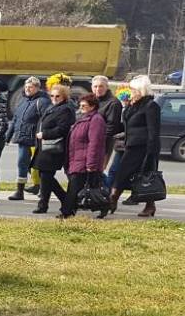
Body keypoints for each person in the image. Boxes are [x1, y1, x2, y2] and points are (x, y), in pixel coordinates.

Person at [109, 75, 161, 217]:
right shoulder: (133, 105)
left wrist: (150, 153)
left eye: (133, 89)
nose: (130, 91)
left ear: (140, 90)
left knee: (144, 177)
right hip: (130, 145)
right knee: (123, 174)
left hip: (144, 147)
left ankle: (115, 199)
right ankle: (113, 199)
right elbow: (125, 124)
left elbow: (153, 131)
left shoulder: (151, 106)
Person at [31, 83, 76, 215]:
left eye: (58, 96)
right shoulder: (53, 107)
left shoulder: (65, 109)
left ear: (64, 97)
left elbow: (62, 129)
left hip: (53, 148)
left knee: (46, 177)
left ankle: (44, 205)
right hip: (45, 147)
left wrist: (45, 134)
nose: (54, 98)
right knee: (46, 177)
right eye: (52, 95)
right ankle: (66, 202)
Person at [63, 93, 107, 219]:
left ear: (92, 107)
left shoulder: (96, 120)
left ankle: (67, 212)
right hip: (77, 158)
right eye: (80, 105)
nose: (81, 107)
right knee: (90, 187)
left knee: (75, 187)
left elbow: (95, 143)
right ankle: (104, 206)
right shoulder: (83, 118)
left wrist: (91, 164)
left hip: (85, 160)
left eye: (84, 105)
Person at [7, 76, 50, 200]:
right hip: (23, 138)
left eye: (30, 87)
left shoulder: (42, 101)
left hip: (35, 139)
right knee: (22, 163)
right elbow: (15, 119)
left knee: (38, 166)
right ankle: (19, 191)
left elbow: (46, 119)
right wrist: (8, 136)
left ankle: (43, 189)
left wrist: (43, 134)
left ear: (37, 88)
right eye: (26, 87)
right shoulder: (23, 101)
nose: (27, 89)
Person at [92, 75, 124, 181]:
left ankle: (105, 192)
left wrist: (98, 142)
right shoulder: (92, 100)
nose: (98, 89)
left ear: (107, 87)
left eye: (101, 86)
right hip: (89, 142)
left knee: (98, 171)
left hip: (103, 143)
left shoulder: (113, 103)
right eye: (95, 86)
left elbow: (111, 128)